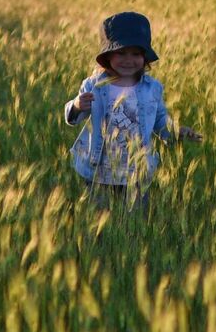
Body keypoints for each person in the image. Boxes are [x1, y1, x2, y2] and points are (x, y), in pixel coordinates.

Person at [61, 11, 201, 210]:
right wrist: (76, 105)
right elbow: (74, 116)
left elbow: (160, 121)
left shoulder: (152, 88)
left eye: (136, 54)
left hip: (136, 170)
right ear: (107, 56)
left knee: (135, 218)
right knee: (99, 217)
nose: (129, 60)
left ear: (145, 57)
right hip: (99, 169)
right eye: (121, 53)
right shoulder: (94, 85)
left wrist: (177, 131)